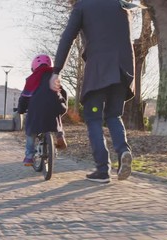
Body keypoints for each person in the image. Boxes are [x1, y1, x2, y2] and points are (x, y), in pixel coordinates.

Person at [50, 0, 136, 183]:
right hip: (123, 70)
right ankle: (123, 151)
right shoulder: (121, 6)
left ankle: (103, 170)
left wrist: (56, 71)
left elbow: (67, 37)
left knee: (94, 118)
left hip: (99, 71)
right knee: (114, 116)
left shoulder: (83, 6)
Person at [17, 54, 68, 166]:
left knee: (30, 131)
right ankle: (60, 135)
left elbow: (24, 97)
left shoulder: (31, 79)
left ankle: (29, 156)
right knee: (57, 116)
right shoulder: (55, 76)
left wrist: (20, 110)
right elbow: (63, 93)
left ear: (34, 66)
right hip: (54, 104)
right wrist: (64, 105)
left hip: (36, 109)